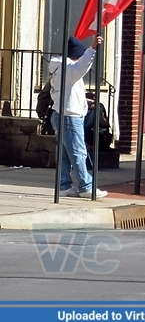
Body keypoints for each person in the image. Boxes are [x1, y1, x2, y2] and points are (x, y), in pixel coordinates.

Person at [49, 35, 108, 199]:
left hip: (61, 114)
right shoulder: (68, 68)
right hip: (69, 116)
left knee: (65, 153)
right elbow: (82, 66)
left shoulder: (59, 69)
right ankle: (86, 186)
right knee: (77, 152)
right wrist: (92, 49)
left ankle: (64, 185)